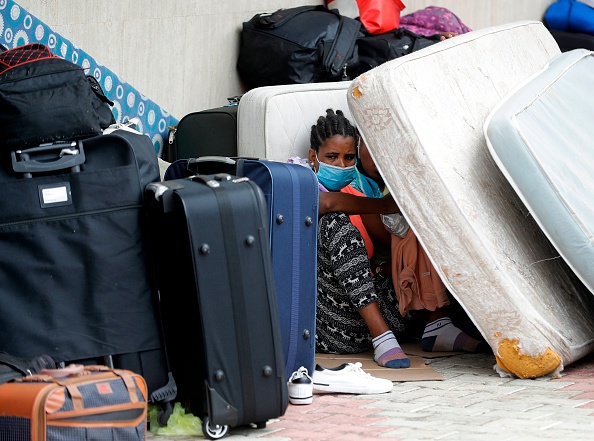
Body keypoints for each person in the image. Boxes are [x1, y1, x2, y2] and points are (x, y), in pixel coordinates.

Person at [308, 109, 488, 370]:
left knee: (420, 226)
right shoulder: (299, 180)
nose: (341, 166)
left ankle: (438, 324)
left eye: (349, 158)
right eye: (332, 157)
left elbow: (385, 240)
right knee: (335, 223)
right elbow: (324, 203)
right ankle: (382, 337)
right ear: (313, 156)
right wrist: (384, 205)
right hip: (331, 327)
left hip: (373, 322)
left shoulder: (359, 190)